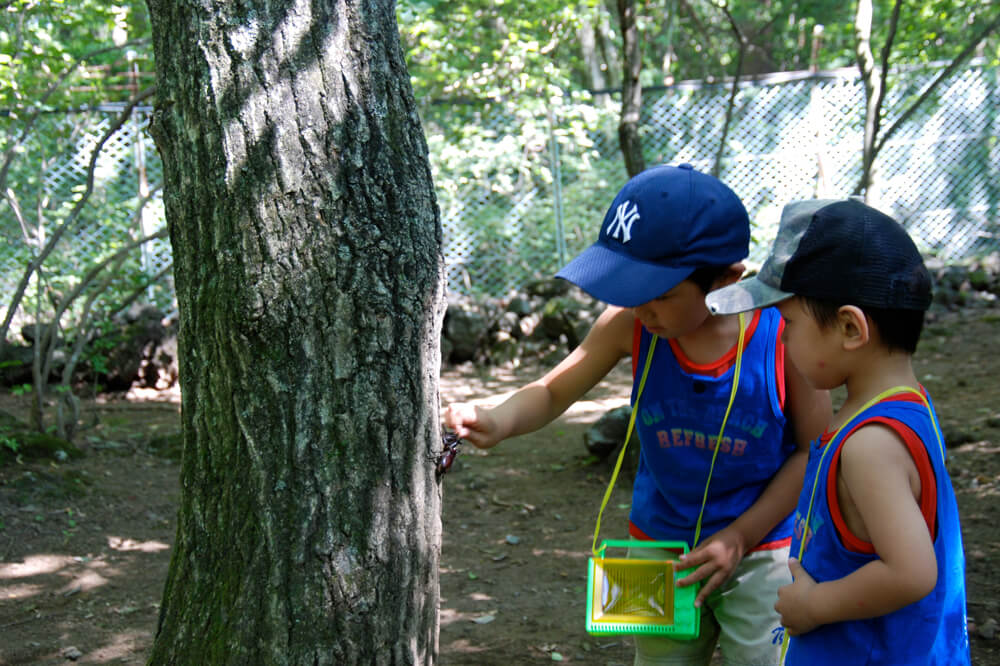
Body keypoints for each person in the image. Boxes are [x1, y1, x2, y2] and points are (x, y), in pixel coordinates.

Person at [444, 164, 830, 665]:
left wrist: (740, 537)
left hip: (763, 550)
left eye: (661, 294)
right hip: (658, 547)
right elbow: (552, 391)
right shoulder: (630, 325)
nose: (642, 308)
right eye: (630, 290)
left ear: (726, 278)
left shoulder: (783, 336)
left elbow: (813, 451)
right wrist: (498, 419)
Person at [705, 198, 970, 664]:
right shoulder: (907, 404)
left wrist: (814, 605)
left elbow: (911, 573)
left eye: (789, 323)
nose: (782, 337)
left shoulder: (870, 445)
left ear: (850, 328)